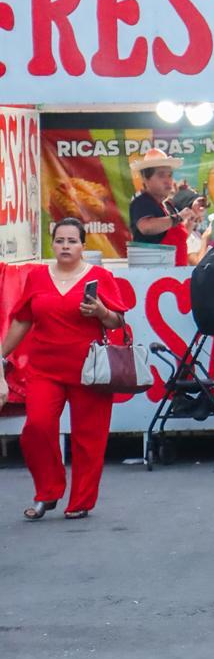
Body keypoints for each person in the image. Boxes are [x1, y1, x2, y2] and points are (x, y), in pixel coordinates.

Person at [0, 218, 129, 520]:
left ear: (84, 245)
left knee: (89, 437)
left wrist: (101, 311)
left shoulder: (99, 276)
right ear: (53, 244)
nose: (66, 246)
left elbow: (118, 321)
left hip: (90, 369)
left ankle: (81, 501)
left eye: (72, 241)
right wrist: (1, 354)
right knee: (37, 428)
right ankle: (48, 492)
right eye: (60, 241)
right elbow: (22, 319)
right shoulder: (38, 277)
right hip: (45, 368)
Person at [128, 148, 195, 265]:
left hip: (176, 272)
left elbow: (179, 239)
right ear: (145, 179)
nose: (167, 180)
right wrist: (179, 217)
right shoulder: (142, 202)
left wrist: (192, 221)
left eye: (169, 175)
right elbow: (146, 227)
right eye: (161, 175)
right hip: (154, 275)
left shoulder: (168, 205)